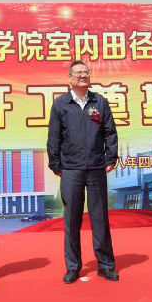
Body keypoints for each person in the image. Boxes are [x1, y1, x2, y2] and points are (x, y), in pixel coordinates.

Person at [47, 60, 119, 283]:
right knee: (72, 221)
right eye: (78, 72)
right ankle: (73, 267)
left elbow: (110, 132)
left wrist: (111, 158)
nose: (82, 75)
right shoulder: (61, 104)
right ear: (70, 78)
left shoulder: (100, 101)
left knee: (100, 219)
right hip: (71, 169)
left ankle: (105, 265)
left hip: (96, 167)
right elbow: (53, 137)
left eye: (86, 72)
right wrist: (56, 164)